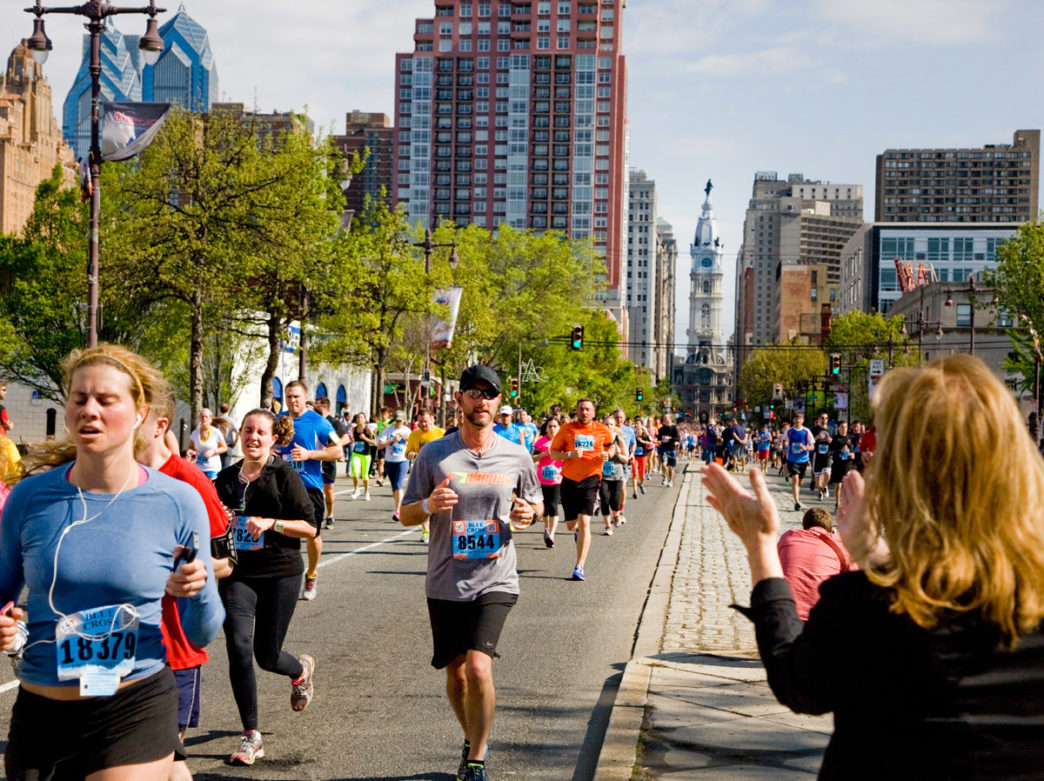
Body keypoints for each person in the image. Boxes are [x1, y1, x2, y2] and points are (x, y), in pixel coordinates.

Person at [702, 354, 1044, 778]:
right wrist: (870, 553)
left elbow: (799, 682)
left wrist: (760, 544)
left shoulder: (868, 604)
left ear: (905, 475)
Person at [0, 344, 223, 780]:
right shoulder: (30, 497)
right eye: (79, 399)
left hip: (133, 704)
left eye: (106, 400)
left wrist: (193, 593)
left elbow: (203, 631)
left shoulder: (177, 501)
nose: (89, 411)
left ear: (140, 412)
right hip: (42, 705)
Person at [400, 364, 542, 781]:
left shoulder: (516, 454)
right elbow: (406, 513)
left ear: (499, 402)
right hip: (446, 577)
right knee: (457, 673)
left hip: (496, 576)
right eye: (473, 393)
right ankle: (472, 737)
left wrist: (528, 513)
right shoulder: (434, 454)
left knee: (480, 667)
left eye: (489, 394)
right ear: (460, 400)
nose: (482, 401)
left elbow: (535, 504)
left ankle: (476, 760)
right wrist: (427, 506)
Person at [137, 382, 233, 781]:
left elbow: (228, 560)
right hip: (117, 645)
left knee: (162, 756)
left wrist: (192, 573)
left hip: (174, 645)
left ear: (158, 426)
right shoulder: (112, 479)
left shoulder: (189, 481)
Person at [214, 408, 319, 766]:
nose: (253, 437)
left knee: (267, 655)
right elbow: (212, 527)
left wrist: (271, 523)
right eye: (247, 430)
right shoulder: (225, 479)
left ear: (274, 439)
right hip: (239, 573)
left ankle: (299, 671)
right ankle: (251, 735)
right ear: (239, 435)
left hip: (280, 571)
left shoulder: (284, 476)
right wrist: (224, 522)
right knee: (238, 645)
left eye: (261, 432)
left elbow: (310, 528)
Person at [278, 380, 341, 601]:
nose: (292, 400)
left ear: (305, 398)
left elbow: (338, 451)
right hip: (281, 488)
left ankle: (312, 573)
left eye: (296, 396)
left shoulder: (319, 422)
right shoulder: (279, 420)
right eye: (288, 396)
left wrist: (309, 455)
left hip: (309, 488)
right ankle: (284, 577)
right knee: (281, 533)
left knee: (312, 535)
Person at [549, 399, 615, 581]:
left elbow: (612, 448)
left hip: (592, 478)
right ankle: (577, 532)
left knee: (585, 521)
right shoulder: (567, 430)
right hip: (569, 480)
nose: (584, 412)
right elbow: (554, 453)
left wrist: (608, 454)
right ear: (577, 412)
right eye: (581, 409)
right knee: (571, 525)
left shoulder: (602, 430)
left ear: (593, 412)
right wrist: (570, 454)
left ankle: (579, 566)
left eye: (588, 409)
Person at [777, 507, 852, 621]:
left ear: (804, 527)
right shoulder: (838, 542)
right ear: (830, 530)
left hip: (786, 611)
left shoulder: (788, 537)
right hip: (822, 616)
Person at [406, 409, 445, 544]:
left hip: (439, 471)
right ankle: (426, 531)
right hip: (421, 471)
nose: (423, 424)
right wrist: (410, 455)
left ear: (432, 420)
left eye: (425, 421)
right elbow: (408, 452)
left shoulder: (441, 433)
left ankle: (441, 529)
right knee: (423, 501)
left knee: (439, 501)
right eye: (420, 422)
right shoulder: (414, 435)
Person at [316, 397, 349, 528]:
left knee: (328, 489)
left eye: (317, 405)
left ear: (324, 407)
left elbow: (345, 438)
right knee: (313, 489)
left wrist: (334, 448)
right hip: (313, 460)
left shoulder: (331, 423)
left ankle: (330, 515)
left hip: (328, 461)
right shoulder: (313, 421)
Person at [376, 410, 412, 522]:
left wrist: (408, 440)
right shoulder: (388, 430)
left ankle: (398, 510)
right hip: (390, 460)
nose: (398, 423)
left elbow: (413, 445)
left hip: (403, 460)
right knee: (394, 487)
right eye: (397, 421)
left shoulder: (407, 431)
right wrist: (392, 440)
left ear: (404, 421)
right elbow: (379, 445)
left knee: (398, 485)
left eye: (400, 421)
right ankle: (398, 505)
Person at [532, 417, 563, 548]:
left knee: (553, 506)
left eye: (555, 426)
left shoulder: (563, 442)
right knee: (545, 508)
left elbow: (570, 456)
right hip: (542, 480)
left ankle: (552, 535)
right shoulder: (540, 442)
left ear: (559, 428)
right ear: (546, 428)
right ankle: (546, 527)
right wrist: (543, 454)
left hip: (557, 479)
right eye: (550, 426)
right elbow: (532, 458)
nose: (552, 429)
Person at [598, 416, 629, 532]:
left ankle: (616, 515)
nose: (609, 426)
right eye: (606, 424)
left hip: (617, 474)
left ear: (614, 426)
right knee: (604, 499)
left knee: (615, 499)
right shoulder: (599, 440)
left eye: (611, 424)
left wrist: (618, 454)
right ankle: (607, 526)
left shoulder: (618, 439)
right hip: (603, 475)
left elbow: (626, 459)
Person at [784, 412, 814, 511]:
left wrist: (806, 448)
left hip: (803, 459)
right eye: (796, 418)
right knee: (795, 479)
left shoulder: (806, 431)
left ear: (803, 420)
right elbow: (783, 440)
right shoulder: (789, 431)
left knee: (800, 481)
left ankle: (796, 489)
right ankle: (797, 501)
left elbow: (812, 445)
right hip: (792, 459)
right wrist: (784, 446)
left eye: (799, 418)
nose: (797, 420)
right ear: (793, 420)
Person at [188, 407, 227, 480]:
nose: (204, 418)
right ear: (200, 418)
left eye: (206, 417)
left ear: (210, 419)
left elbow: (224, 448)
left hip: (212, 468)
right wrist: (190, 452)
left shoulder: (216, 432)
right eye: (202, 416)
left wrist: (213, 451)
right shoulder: (195, 433)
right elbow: (190, 447)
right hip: (198, 468)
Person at [827, 420, 855, 511]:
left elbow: (856, 448)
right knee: (838, 485)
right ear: (838, 428)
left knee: (846, 485)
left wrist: (852, 454)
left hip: (848, 464)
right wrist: (840, 451)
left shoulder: (851, 437)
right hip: (837, 464)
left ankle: (846, 503)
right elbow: (830, 452)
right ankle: (837, 503)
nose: (844, 429)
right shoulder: (835, 439)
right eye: (842, 427)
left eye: (846, 427)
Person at [347, 412, 376, 501]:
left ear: (365, 419)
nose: (359, 419)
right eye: (358, 417)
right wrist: (351, 439)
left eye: (361, 417)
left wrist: (365, 438)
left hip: (366, 455)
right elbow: (353, 440)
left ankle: (367, 492)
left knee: (364, 475)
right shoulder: (354, 429)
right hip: (356, 453)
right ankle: (356, 490)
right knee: (355, 472)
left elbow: (374, 442)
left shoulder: (368, 429)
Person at [810, 413, 832, 501]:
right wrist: (817, 437)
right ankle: (819, 493)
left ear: (827, 420)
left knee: (827, 473)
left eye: (826, 418)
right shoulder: (815, 429)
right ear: (819, 419)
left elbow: (835, 440)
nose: (824, 420)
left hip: (827, 454)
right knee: (817, 475)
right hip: (817, 454)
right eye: (822, 418)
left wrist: (831, 440)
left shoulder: (831, 429)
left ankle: (824, 486)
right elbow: (810, 441)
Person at [657, 413, 680, 486]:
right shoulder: (661, 429)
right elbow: (659, 438)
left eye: (666, 419)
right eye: (664, 419)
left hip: (672, 449)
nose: (664, 420)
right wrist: (659, 441)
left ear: (670, 419)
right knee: (663, 464)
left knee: (671, 468)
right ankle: (665, 476)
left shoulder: (674, 428)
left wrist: (670, 439)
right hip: (664, 448)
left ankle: (670, 481)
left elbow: (677, 438)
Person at [215, 403, 240, 470]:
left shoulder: (217, 420)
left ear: (220, 410)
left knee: (217, 466)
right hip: (228, 445)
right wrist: (235, 442)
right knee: (225, 467)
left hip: (218, 446)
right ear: (228, 410)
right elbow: (238, 431)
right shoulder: (231, 421)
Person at [633, 419, 654, 496]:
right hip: (634, 456)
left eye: (638, 423)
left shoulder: (645, 434)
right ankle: (635, 492)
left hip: (643, 456)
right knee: (635, 473)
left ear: (641, 425)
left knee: (642, 475)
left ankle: (641, 484)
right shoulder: (633, 433)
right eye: (635, 423)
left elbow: (651, 442)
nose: (636, 425)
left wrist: (642, 441)